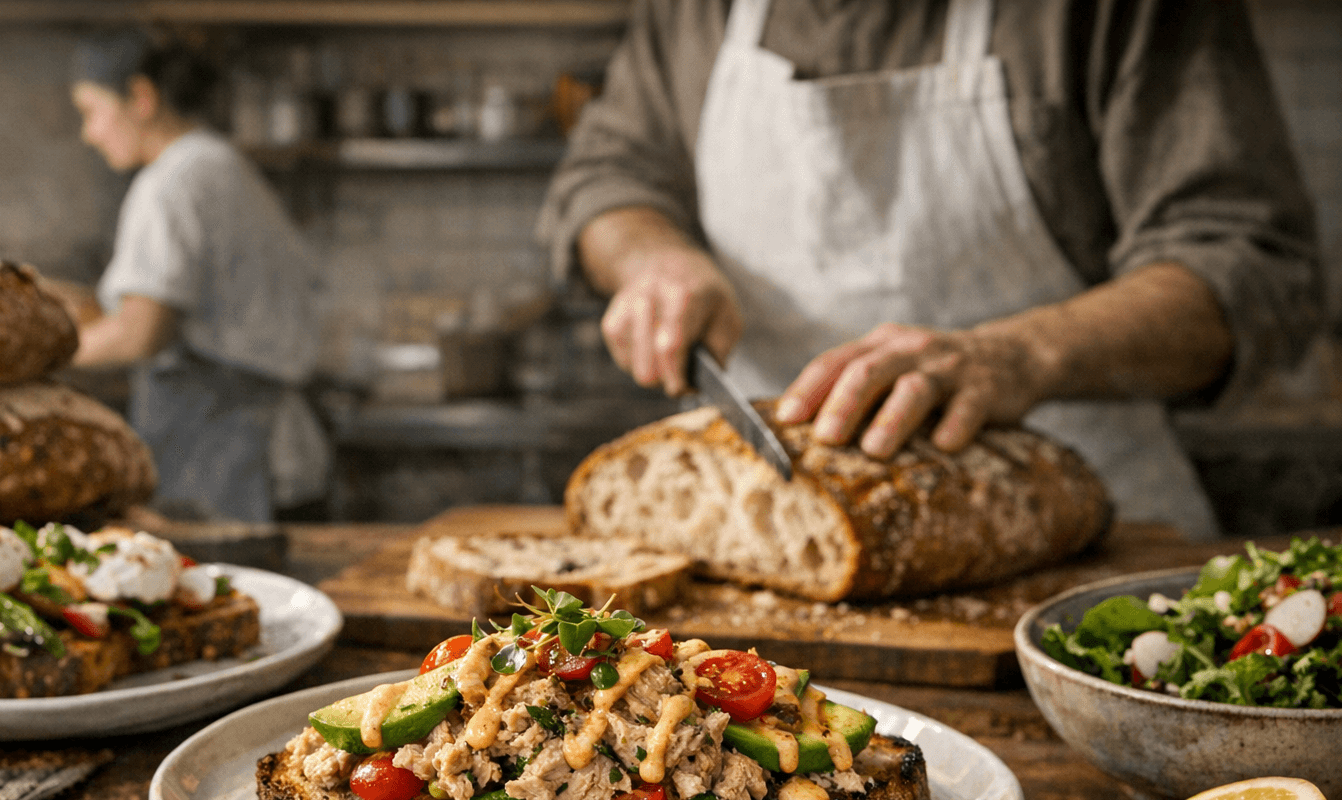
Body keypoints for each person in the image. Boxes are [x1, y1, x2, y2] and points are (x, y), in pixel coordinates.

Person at [538, 0, 1322, 540]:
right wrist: (654, 259)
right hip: (770, 521)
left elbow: (1247, 261)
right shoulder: (695, 12)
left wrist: (1013, 356)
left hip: (1088, 522)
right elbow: (609, 175)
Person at [68, 34, 330, 523]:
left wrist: (46, 357)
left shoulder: (170, 181)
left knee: (225, 591)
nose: (90, 133)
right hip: (255, 439)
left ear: (141, 99)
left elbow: (142, 331)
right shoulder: (217, 163)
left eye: (91, 110)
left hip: (219, 451)